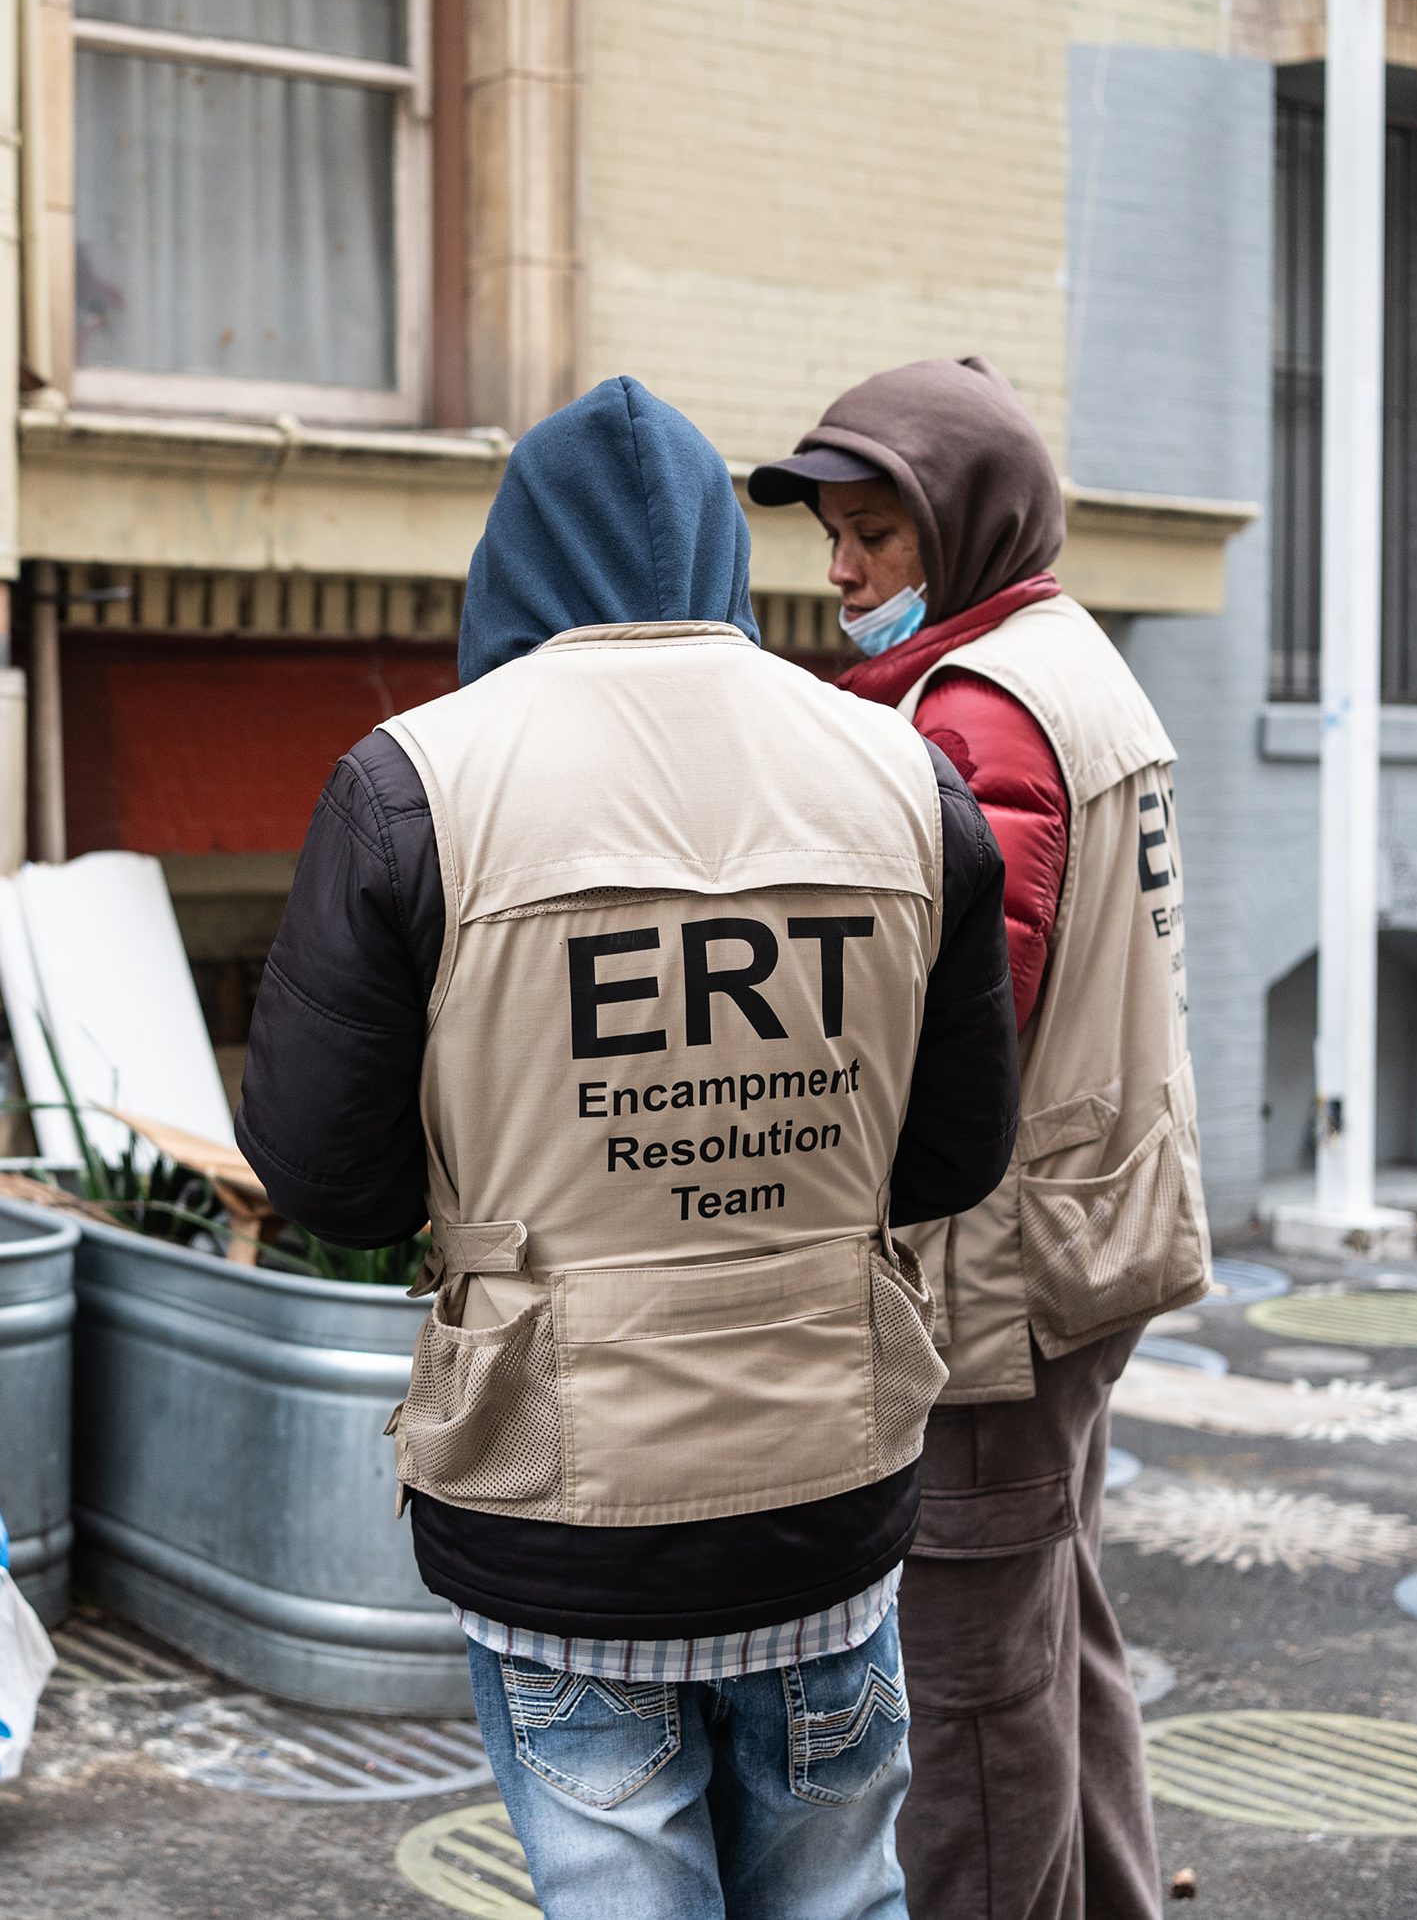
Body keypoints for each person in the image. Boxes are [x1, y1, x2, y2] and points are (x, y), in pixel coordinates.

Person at [240, 377, 1021, 1920]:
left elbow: (328, 1181)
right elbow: (953, 1157)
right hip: (823, 1469)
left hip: (559, 1500)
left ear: (509, 565)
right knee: (838, 1895)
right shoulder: (899, 770)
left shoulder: (415, 780)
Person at [748, 356, 1213, 1920]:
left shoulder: (980, 713)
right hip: (1095, 1231)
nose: (840, 571)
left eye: (873, 534)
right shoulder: (1068, 658)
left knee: (963, 1706)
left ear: (961, 524)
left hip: (998, 1277)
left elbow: (951, 1030)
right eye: (831, 533)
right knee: (1055, 1638)